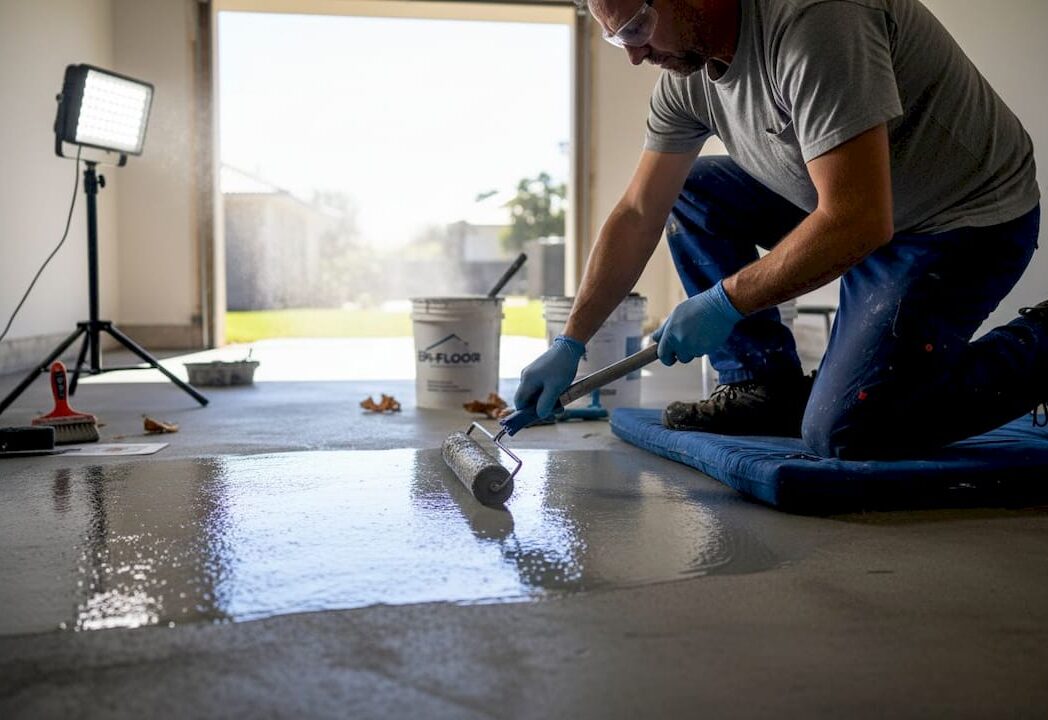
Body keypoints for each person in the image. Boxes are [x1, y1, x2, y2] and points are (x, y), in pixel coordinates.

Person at [512, 0, 1044, 459]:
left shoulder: (817, 21)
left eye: (636, 28)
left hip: (961, 219)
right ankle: (760, 385)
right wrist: (571, 341)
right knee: (690, 191)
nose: (634, 54)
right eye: (617, 38)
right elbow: (637, 212)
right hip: (852, 202)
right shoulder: (687, 79)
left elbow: (858, 219)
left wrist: (725, 301)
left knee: (850, 429)